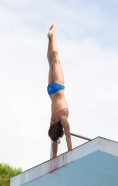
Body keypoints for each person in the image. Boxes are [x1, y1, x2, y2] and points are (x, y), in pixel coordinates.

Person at [47, 24, 72, 158]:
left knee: (56, 60)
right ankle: (49, 38)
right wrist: (53, 158)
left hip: (58, 87)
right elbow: (54, 141)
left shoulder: (61, 117)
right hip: (50, 91)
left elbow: (68, 135)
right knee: (51, 62)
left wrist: (70, 152)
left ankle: (53, 36)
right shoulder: (52, 122)